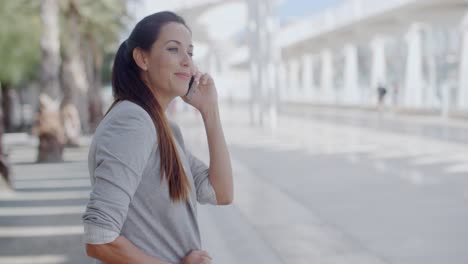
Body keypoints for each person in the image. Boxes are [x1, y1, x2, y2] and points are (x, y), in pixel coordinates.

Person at [82, 11, 233, 264]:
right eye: (174, 49)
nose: (187, 61)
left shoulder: (163, 127)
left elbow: (221, 193)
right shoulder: (132, 121)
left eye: (190, 52)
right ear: (142, 58)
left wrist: (210, 111)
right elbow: (100, 239)